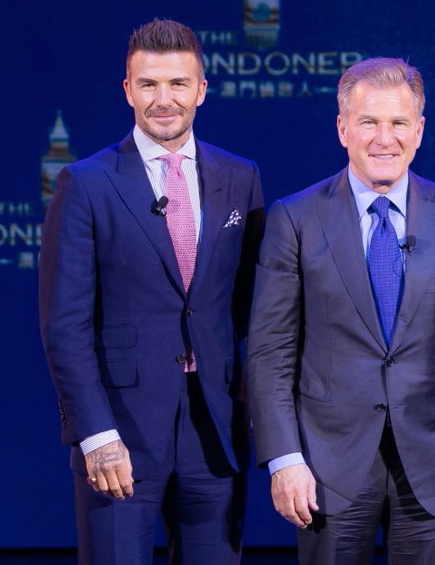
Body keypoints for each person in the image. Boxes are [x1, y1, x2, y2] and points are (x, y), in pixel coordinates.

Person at [246, 57, 435, 564]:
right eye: (369, 122)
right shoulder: (295, 218)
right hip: (326, 466)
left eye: (398, 123)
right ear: (343, 128)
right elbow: (270, 354)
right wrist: (284, 458)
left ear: (420, 130)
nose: (384, 138)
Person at [39, 19, 264, 565]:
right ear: (127, 91)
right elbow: (64, 325)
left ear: (201, 90)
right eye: (148, 85)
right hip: (120, 433)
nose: (164, 100)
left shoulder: (241, 177)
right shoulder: (86, 182)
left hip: (214, 434)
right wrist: (94, 434)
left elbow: (255, 310)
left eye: (178, 84)